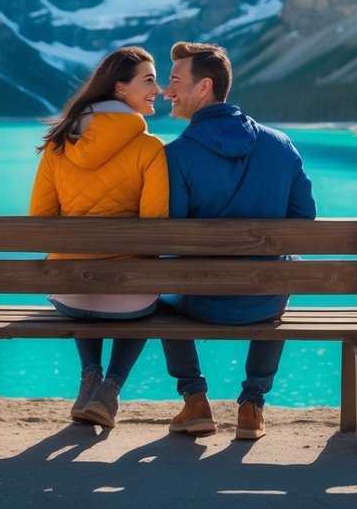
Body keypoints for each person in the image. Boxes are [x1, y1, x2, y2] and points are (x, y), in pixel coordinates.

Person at [159, 41, 316, 440]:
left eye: (175, 81)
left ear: (204, 87)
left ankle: (195, 400)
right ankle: (252, 405)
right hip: (265, 300)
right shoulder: (280, 144)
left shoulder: (176, 155)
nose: (166, 91)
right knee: (283, 273)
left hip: (201, 301)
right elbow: (304, 220)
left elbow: (172, 233)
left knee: (157, 295)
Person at [29, 46, 168, 429]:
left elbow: (39, 222)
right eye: (150, 79)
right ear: (120, 89)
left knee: (80, 272)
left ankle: (89, 375)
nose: (158, 88)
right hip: (129, 300)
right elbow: (155, 231)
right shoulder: (150, 149)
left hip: (68, 294)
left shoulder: (58, 144)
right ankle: (110, 388)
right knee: (154, 294)